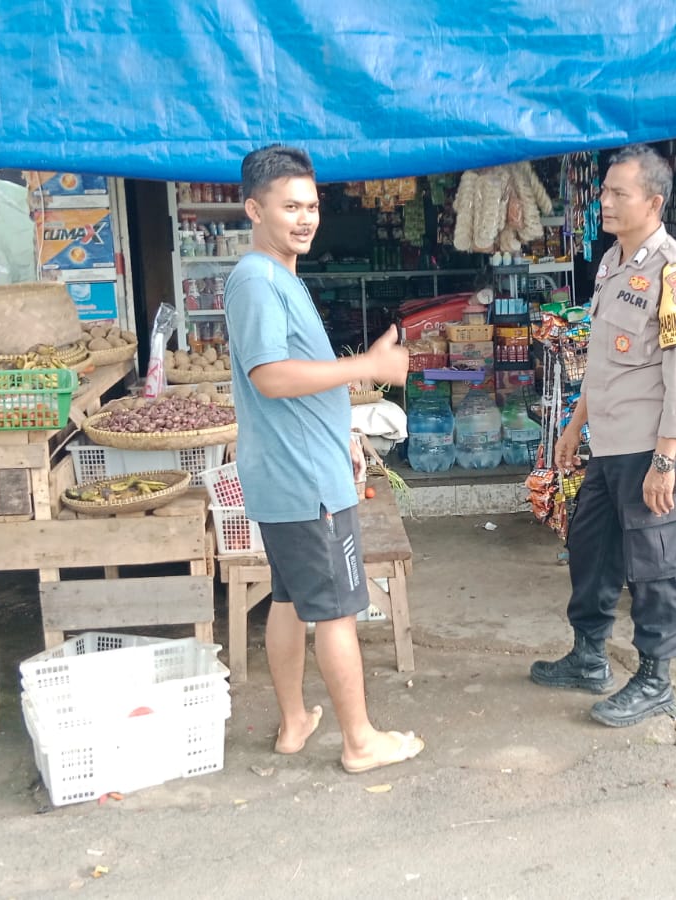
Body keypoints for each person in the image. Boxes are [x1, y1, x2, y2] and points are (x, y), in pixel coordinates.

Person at [226, 145, 424, 774]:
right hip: (306, 481)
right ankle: (360, 742)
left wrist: (345, 430)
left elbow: (301, 379)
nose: (305, 218)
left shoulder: (280, 277)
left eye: (311, 206)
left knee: (288, 599)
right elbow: (271, 376)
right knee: (337, 609)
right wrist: (367, 365)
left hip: (295, 469)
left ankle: (294, 723)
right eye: (290, 207)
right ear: (254, 210)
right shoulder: (258, 280)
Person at [529, 144, 676, 728]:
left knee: (654, 565)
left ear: (653, 203)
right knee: (591, 550)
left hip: (648, 447)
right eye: (604, 191)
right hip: (607, 442)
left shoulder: (675, 273)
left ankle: (656, 679)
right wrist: (574, 424)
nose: (604, 201)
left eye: (618, 193)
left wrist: (666, 459)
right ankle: (588, 657)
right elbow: (602, 360)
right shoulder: (611, 262)